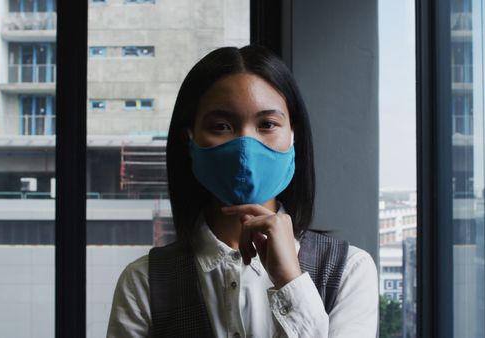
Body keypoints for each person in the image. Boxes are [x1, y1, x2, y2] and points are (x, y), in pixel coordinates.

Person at [106, 45, 378, 338]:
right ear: (190, 137)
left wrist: (290, 281)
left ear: (293, 135)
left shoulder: (349, 271)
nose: (245, 147)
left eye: (267, 124)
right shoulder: (145, 282)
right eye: (222, 126)